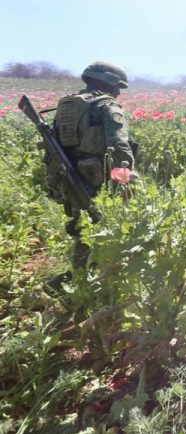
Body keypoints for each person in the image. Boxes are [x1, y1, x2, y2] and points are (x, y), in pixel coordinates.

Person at [43, 60, 135, 292]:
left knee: (85, 229)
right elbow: (119, 147)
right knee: (113, 226)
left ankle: (81, 279)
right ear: (107, 83)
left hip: (71, 177)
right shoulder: (106, 105)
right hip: (99, 179)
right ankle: (101, 281)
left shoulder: (67, 105)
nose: (118, 93)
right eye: (117, 87)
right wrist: (126, 182)